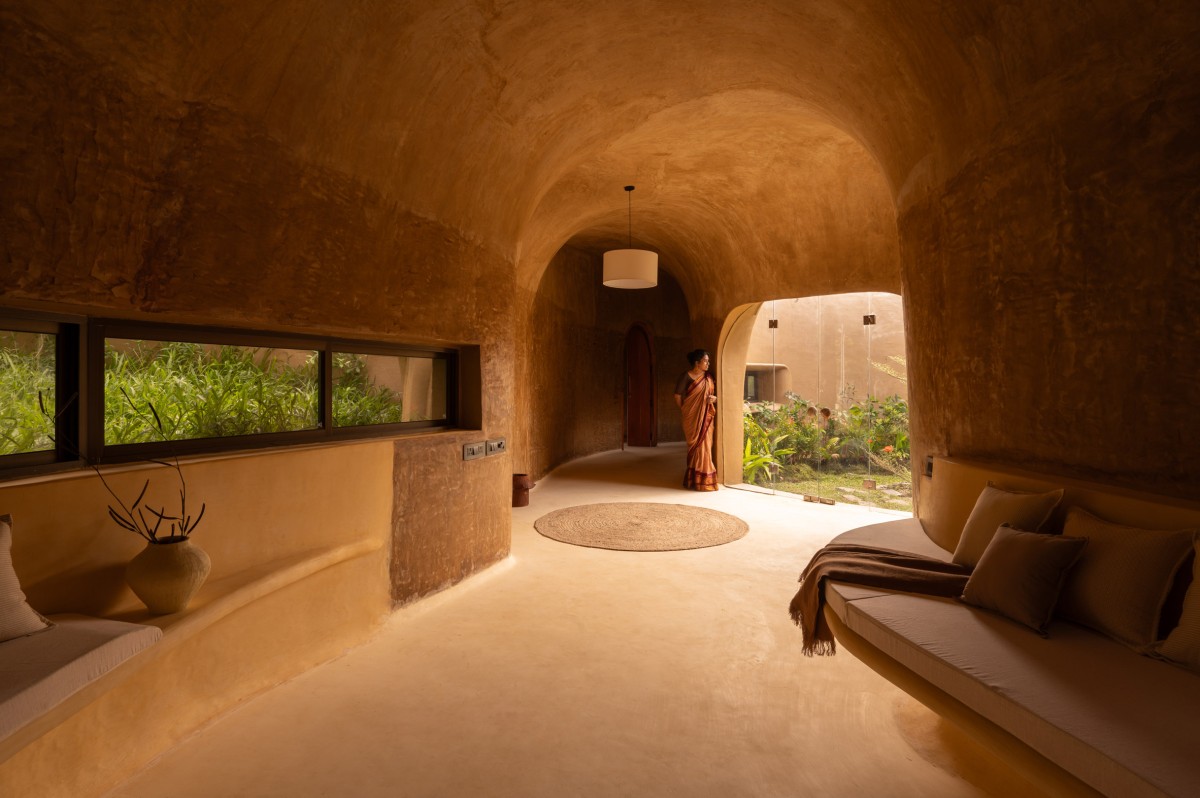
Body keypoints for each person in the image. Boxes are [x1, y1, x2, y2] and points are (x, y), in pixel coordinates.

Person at [674, 349, 718, 491]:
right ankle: (695, 479)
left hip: (706, 416)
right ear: (697, 363)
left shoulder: (708, 377)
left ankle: (704, 479)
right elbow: (677, 395)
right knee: (694, 446)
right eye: (705, 361)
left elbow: (714, 394)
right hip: (691, 416)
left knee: (705, 446)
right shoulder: (686, 376)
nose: (708, 363)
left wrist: (714, 399)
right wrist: (685, 410)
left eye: (708, 361)